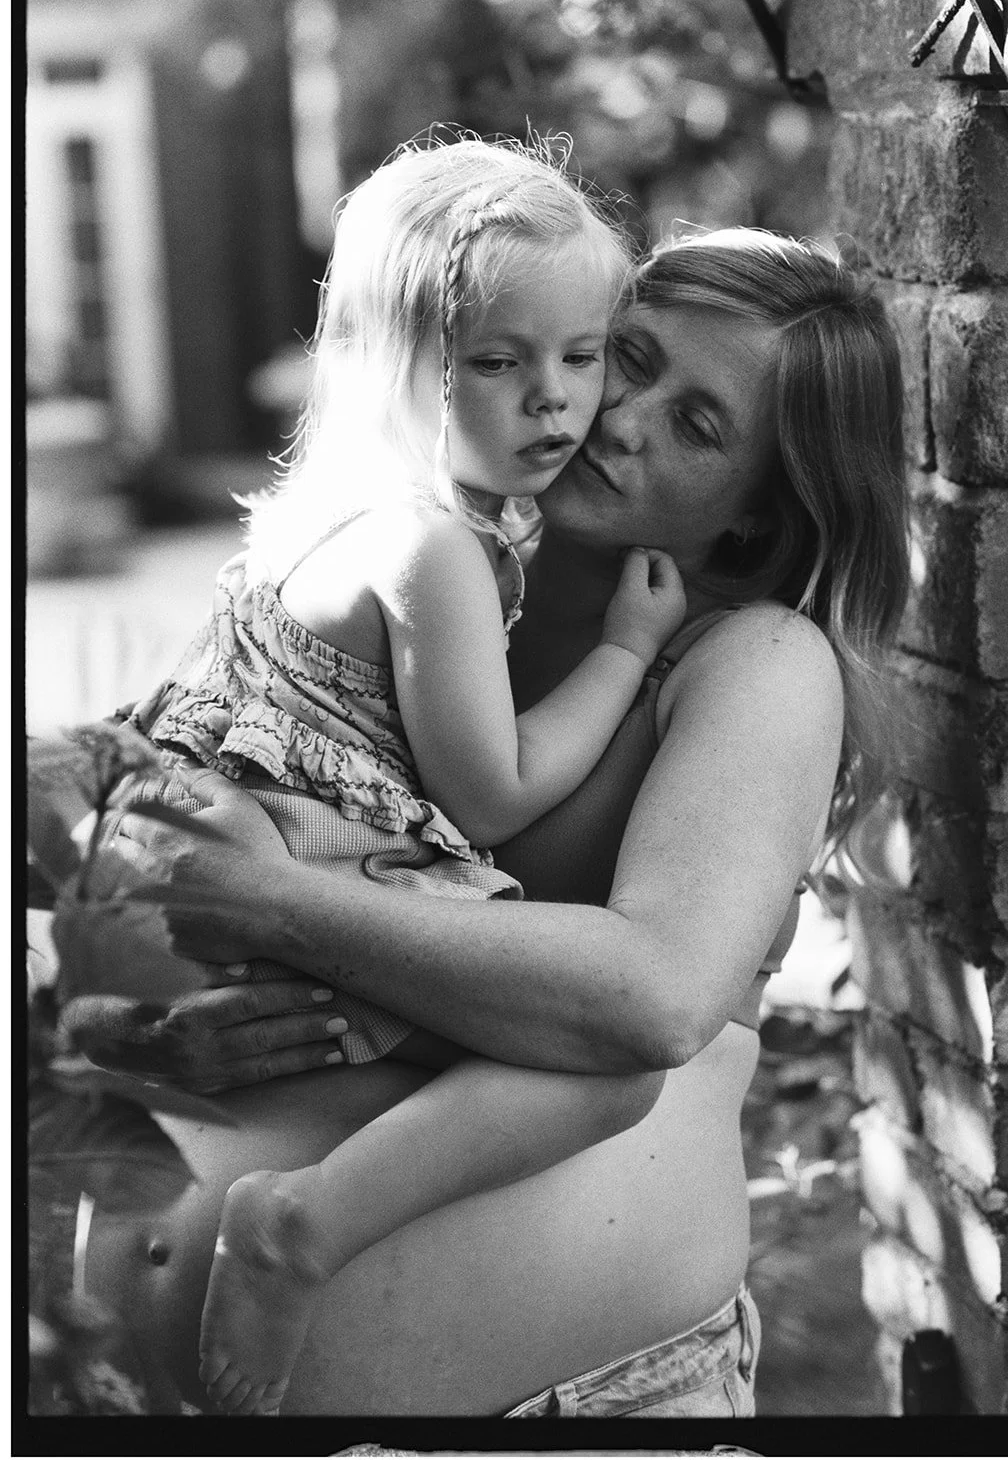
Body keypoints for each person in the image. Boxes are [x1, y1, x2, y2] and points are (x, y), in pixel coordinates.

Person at [65, 223, 909, 1420]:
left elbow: (652, 998)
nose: (618, 418)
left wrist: (265, 903)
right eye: (626, 359)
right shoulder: (405, 575)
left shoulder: (749, 662)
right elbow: (126, 860)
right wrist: (125, 1028)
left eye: (696, 425)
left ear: (756, 518)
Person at [113, 135, 687, 1415]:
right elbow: (493, 791)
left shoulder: (326, 507)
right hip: (305, 863)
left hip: (216, 851)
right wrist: (626, 652)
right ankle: (302, 1223)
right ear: (396, 361)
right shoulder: (429, 546)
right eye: (496, 361)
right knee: (607, 1059)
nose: (554, 401)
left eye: (581, 355)